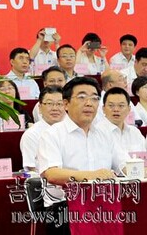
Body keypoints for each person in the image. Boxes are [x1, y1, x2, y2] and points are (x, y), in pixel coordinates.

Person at [37, 77, 130, 235]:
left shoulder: (105, 134)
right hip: (65, 207)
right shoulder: (53, 134)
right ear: (66, 104)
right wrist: (93, 176)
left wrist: (138, 171)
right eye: (81, 97)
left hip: (104, 205)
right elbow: (52, 174)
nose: (89, 103)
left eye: (94, 98)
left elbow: (125, 165)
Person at [20, 86, 65, 171]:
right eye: (49, 103)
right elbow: (31, 168)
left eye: (60, 104)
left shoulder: (72, 131)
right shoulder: (31, 135)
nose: (55, 108)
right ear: (40, 108)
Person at [97, 87, 145, 153]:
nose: (116, 109)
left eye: (121, 106)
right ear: (103, 109)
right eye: (111, 105)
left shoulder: (135, 132)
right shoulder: (98, 132)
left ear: (129, 109)